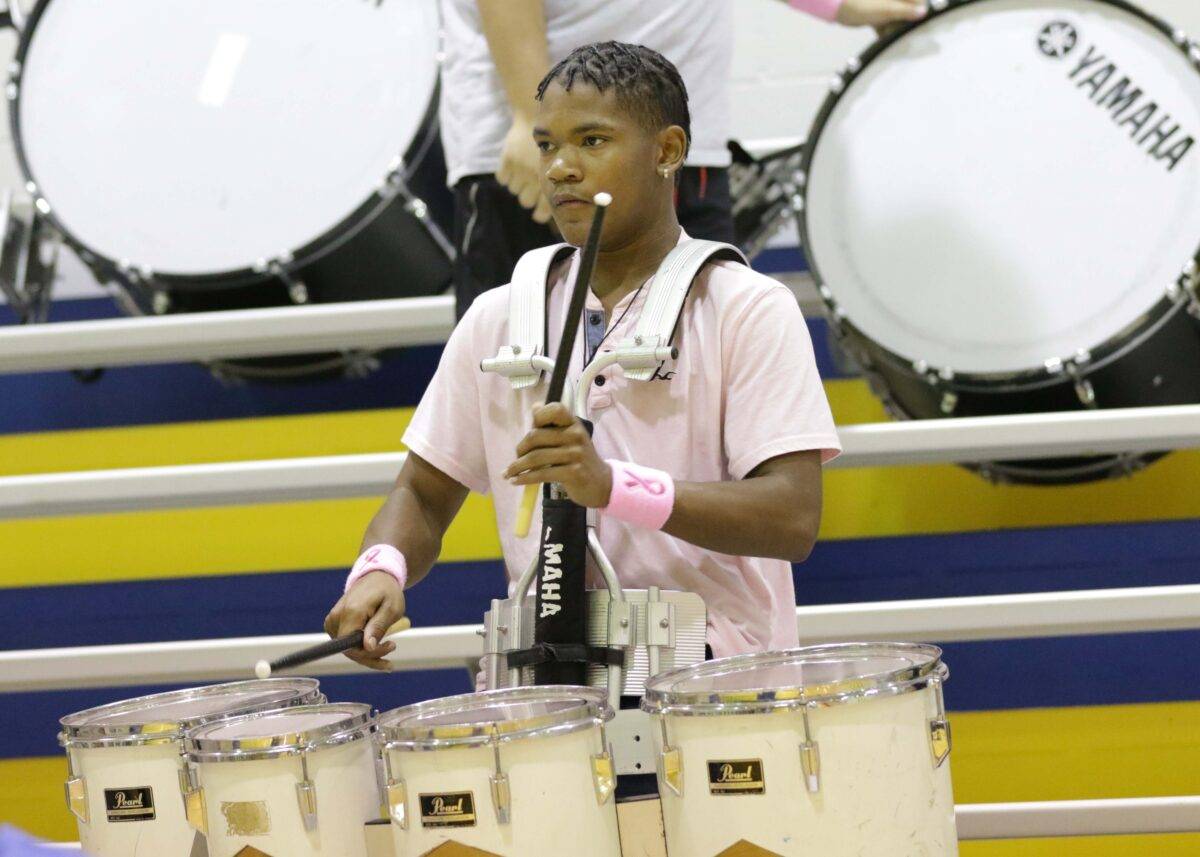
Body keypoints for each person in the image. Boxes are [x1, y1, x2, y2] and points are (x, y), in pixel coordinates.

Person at [326, 42, 841, 676]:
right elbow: (423, 495)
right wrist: (381, 569)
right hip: (551, 692)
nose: (562, 167)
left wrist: (614, 485)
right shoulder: (497, 317)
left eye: (592, 141)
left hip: (718, 686)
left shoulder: (748, 307)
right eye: (547, 145)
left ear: (668, 151)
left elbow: (792, 517)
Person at [444, 0, 928, 316]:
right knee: (518, 393)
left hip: (677, 149)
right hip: (542, 147)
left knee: (694, 377)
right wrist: (533, 116)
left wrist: (837, 7)